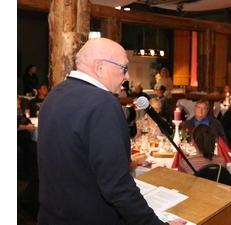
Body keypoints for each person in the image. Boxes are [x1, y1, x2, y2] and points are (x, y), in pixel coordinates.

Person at [37, 38, 186, 225]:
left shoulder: (55, 94)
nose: (127, 76)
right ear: (99, 67)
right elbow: (116, 186)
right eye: (124, 68)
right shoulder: (103, 103)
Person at [17, 96, 37, 179]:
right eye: (17, 99)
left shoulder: (19, 111)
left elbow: (26, 119)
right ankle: (21, 176)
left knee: (37, 147)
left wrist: (29, 124)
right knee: (19, 152)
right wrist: (26, 127)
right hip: (18, 141)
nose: (19, 101)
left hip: (25, 140)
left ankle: (33, 172)